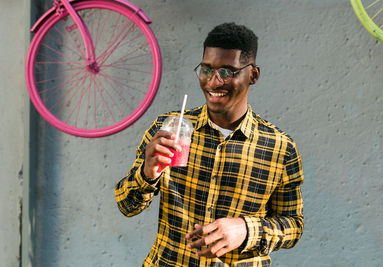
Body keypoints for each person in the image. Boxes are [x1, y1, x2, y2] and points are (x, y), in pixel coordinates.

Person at [115, 22, 304, 267]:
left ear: (253, 75)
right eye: (206, 70)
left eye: (227, 71)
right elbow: (126, 205)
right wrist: (146, 174)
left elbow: (293, 225)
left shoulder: (280, 147)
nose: (213, 82)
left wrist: (246, 230)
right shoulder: (169, 128)